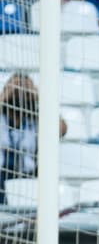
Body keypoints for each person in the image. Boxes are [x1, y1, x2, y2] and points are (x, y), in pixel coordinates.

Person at [0, 73, 65, 204]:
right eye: (15, 88)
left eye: (25, 88)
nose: (20, 92)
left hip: (28, 175)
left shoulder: (37, 119)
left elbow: (62, 130)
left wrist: (41, 98)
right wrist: (4, 96)